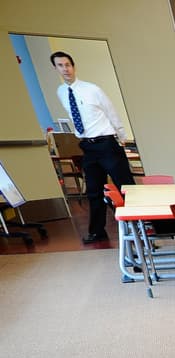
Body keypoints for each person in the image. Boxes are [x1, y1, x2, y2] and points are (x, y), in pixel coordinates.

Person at [51, 51, 135, 243]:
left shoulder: (92, 89)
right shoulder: (61, 92)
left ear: (73, 66)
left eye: (68, 65)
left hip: (107, 143)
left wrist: (121, 137)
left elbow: (111, 112)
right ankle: (97, 232)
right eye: (61, 65)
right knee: (94, 191)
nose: (65, 69)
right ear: (55, 68)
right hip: (88, 146)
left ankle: (142, 227)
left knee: (126, 188)